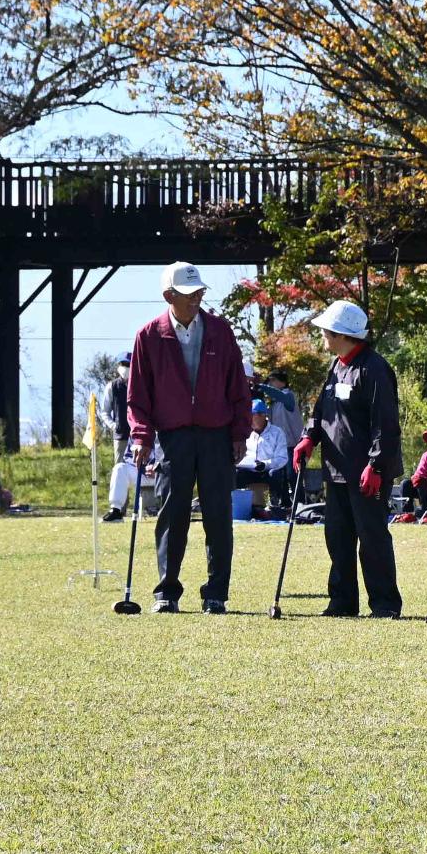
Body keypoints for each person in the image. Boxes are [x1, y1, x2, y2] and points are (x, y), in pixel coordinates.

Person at [126, 262, 252, 614]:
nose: (196, 298)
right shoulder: (148, 336)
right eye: (188, 294)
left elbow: (237, 387)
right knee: (172, 514)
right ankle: (166, 592)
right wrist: (141, 437)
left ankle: (216, 593)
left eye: (199, 292)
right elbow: (138, 395)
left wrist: (240, 432)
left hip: (216, 436)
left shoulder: (220, 331)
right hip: (172, 437)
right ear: (169, 296)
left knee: (218, 516)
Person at [294, 300, 403, 618]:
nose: (323, 335)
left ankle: (385, 604)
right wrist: (308, 436)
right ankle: (342, 601)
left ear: (342, 333)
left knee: (372, 538)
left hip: (367, 472)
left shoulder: (373, 368)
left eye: (326, 330)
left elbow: (385, 422)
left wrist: (377, 465)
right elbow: (322, 411)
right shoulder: (337, 365)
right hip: (337, 470)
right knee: (338, 538)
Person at [234, 399, 294, 514]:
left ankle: (275, 505)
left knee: (276, 473)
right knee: (236, 473)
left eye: (252, 415)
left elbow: (282, 458)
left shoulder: (277, 433)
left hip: (268, 471)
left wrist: (265, 464)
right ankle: (239, 505)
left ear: (263, 415)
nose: (249, 419)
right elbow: (239, 455)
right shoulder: (246, 433)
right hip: (249, 470)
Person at [100, 354, 136, 522]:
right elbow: (105, 411)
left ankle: (150, 505)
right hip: (121, 436)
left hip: (139, 435)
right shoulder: (111, 386)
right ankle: (119, 509)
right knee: (119, 470)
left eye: (127, 363)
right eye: (122, 364)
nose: (125, 367)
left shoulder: (141, 383)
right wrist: (113, 425)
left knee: (145, 469)